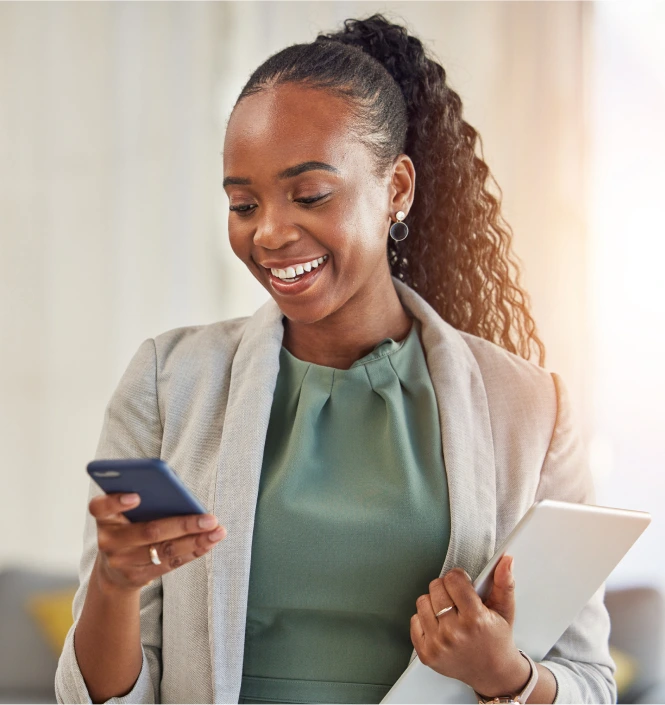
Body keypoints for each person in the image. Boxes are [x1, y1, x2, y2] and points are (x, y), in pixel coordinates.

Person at [55, 13, 616, 705]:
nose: (268, 232)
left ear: (397, 189)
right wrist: (114, 585)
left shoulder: (529, 408)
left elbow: (592, 683)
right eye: (242, 202)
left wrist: (509, 675)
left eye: (310, 194)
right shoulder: (169, 383)